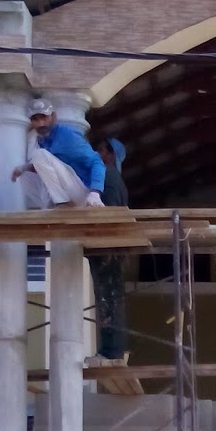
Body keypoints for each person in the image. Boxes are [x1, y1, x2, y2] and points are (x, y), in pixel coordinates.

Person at [12, 98, 106, 207]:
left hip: (84, 193)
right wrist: (24, 168)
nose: (40, 124)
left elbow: (96, 161)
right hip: (68, 192)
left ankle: (62, 203)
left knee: (38, 155)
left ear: (53, 116)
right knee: (25, 175)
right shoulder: (43, 139)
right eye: (35, 119)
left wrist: (95, 192)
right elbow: (48, 166)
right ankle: (49, 207)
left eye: (44, 117)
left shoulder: (67, 136)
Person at [88, 137, 130, 364]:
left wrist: (103, 242)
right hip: (111, 245)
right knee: (112, 297)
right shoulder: (114, 177)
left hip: (108, 245)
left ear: (111, 154)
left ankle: (111, 351)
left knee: (108, 298)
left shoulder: (107, 176)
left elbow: (110, 213)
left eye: (101, 149)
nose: (97, 152)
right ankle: (113, 350)